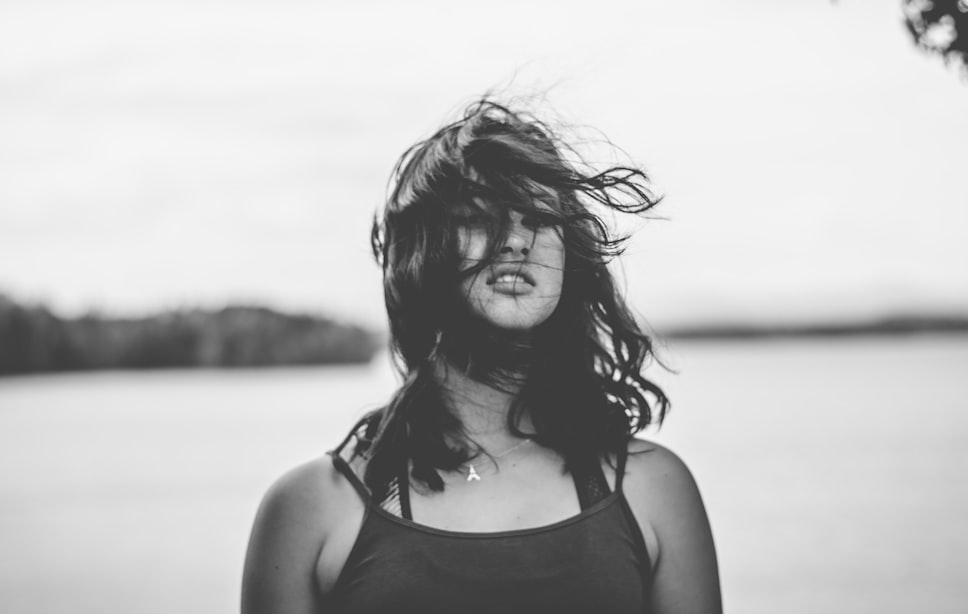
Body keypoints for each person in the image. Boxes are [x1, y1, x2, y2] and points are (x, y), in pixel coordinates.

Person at [241, 99, 722, 614]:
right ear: (420, 255)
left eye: (538, 218)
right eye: (477, 218)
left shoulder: (652, 490)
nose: (515, 239)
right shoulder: (312, 510)